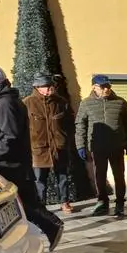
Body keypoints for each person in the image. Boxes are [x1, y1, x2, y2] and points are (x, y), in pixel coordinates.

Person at [0, 65, 63, 250]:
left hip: (9, 166)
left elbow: (11, 137)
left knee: (19, 205)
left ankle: (51, 226)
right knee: (22, 204)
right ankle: (49, 227)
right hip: (9, 165)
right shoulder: (5, 102)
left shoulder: (5, 104)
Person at [75, 75, 127, 217]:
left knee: (119, 175)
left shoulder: (120, 102)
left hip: (116, 145)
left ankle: (120, 202)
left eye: (108, 86)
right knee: (99, 176)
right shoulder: (86, 103)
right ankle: (102, 201)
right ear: (94, 87)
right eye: (103, 87)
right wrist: (80, 146)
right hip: (97, 147)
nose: (106, 89)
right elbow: (80, 125)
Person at [24, 73, 74, 213]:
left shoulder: (61, 102)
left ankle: (65, 202)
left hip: (59, 147)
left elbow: (70, 123)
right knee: (40, 180)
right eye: (46, 86)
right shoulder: (27, 103)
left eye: (50, 85)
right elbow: (21, 127)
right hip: (39, 149)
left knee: (63, 177)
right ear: (37, 87)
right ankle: (41, 206)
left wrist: (66, 139)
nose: (50, 88)